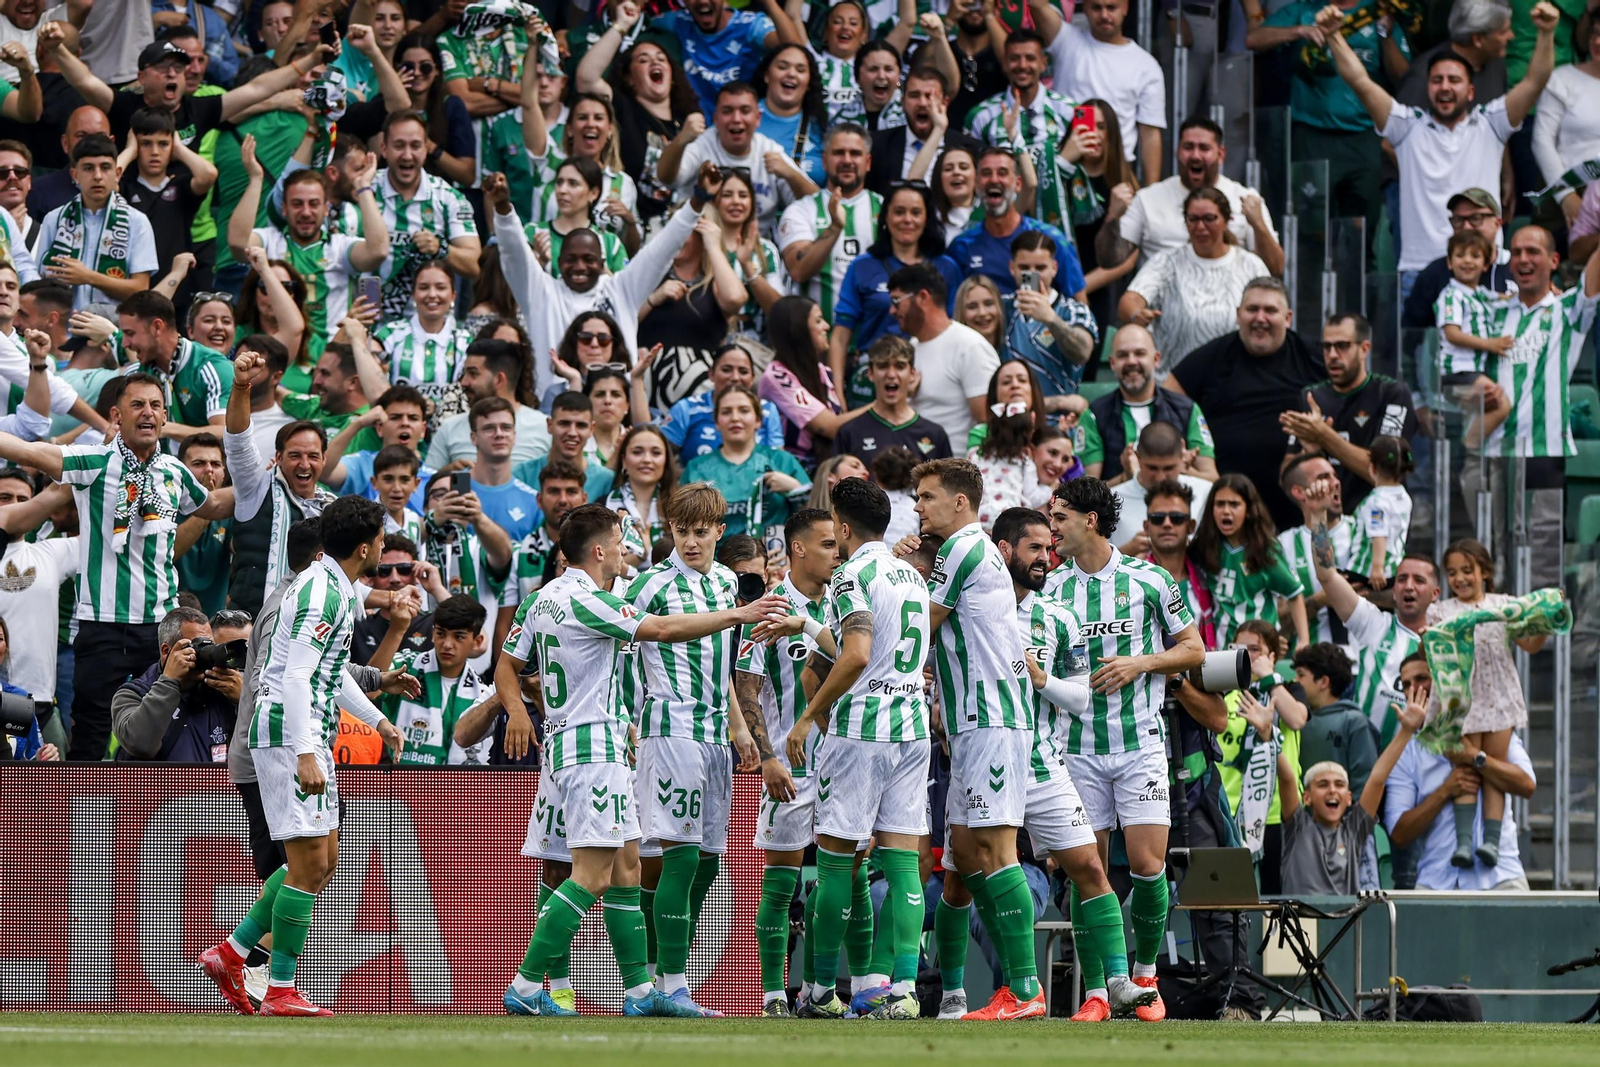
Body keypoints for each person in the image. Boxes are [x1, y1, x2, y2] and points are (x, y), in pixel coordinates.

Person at [495, 501, 783, 1017]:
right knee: (590, 875)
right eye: (621, 538)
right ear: (600, 548)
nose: (627, 547)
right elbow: (663, 632)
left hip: (578, 744)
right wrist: (741, 613)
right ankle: (524, 984)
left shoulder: (539, 601)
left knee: (627, 870)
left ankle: (639, 993)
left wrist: (520, 712)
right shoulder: (595, 600)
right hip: (598, 745)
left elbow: (507, 666)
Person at [197, 496, 403, 1018]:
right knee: (308, 863)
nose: (383, 544)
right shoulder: (323, 591)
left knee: (323, 860)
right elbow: (292, 676)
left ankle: (232, 952)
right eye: (381, 538)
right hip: (290, 734)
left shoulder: (333, 584)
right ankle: (282, 988)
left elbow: (326, 675)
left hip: (301, 729)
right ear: (364, 546)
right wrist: (306, 752)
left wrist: (378, 721)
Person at [0, 354, 230, 761]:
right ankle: (83, 823)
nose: (148, 412)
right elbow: (28, 451)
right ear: (116, 415)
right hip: (101, 625)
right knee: (90, 731)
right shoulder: (93, 460)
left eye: (156, 405)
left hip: (160, 627)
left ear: (164, 416)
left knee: (170, 724)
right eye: (137, 405)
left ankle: (161, 820)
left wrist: (265, 480)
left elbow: (210, 504)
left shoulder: (175, 472)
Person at [755, 478, 924, 1020]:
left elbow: (853, 655)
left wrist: (805, 719)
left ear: (845, 528)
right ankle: (903, 989)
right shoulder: (913, 578)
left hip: (861, 731)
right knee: (901, 865)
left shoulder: (852, 574)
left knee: (834, 867)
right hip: (912, 727)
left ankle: (822, 991)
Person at [1041, 475, 1206, 1022]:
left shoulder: (1150, 580)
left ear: (1089, 520)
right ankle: (1095, 991)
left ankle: (1145, 978)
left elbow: (1194, 649)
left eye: (1059, 516)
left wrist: (1141, 662)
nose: (1051, 527)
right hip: (1078, 749)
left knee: (1145, 865)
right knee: (1088, 871)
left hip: (1140, 744)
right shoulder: (1051, 588)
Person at [990, 505, 1160, 1022]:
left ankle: (1112, 985)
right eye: (1035, 548)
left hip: (1046, 759)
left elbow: (1082, 698)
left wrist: (1041, 680)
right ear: (1004, 552)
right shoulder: (973, 605)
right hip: (984, 758)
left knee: (1090, 866)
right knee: (963, 881)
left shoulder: (1059, 615)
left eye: (1049, 547)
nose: (1047, 557)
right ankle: (975, 992)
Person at [619, 482, 777, 1016]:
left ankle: (647, 986)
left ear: (719, 531)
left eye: (700, 532)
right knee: (680, 860)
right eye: (681, 532)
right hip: (669, 731)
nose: (690, 542)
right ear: (669, 532)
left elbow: (719, 661)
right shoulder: (649, 584)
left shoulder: (728, 581)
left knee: (709, 863)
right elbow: (621, 656)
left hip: (714, 736)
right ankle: (665, 985)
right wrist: (628, 725)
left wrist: (739, 727)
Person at [907, 458, 1044, 1020]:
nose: (918, 507)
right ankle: (961, 995)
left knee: (995, 850)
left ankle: (1025, 990)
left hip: (991, 719)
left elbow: (922, 623)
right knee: (963, 854)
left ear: (960, 503)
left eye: (927, 497)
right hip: (969, 724)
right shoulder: (964, 552)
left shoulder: (965, 547)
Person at [1320, 1, 1558, 288]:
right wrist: (1333, 36)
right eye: (1437, 80)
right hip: (1419, 272)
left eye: (1454, 80)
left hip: (1485, 269)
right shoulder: (1407, 127)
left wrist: (1546, 33)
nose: (1445, 86)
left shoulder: (1490, 123)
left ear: (1471, 91)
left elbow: (1536, 80)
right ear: (1428, 87)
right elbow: (1359, 80)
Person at [730, 506, 833, 1015]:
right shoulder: (771, 609)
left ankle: (820, 990)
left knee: (845, 879)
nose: (837, 552)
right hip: (791, 768)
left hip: (843, 763)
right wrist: (767, 757)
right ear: (798, 548)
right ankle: (772, 993)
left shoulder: (846, 601)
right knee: (780, 879)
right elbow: (748, 686)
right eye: (827, 544)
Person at [484, 165, 707, 399]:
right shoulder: (541, 293)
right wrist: (503, 208)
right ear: (559, 261)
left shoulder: (621, 290)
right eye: (571, 259)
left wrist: (698, 201)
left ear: (602, 262)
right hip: (555, 414)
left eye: (589, 259)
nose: (580, 266)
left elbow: (663, 248)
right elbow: (514, 253)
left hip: (616, 411)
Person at [1246, 0, 1409, 247]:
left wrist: (1385, 33)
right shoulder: (1306, 10)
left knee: (1362, 233)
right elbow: (1254, 39)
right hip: (1312, 135)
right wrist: (1299, 31)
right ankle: (1307, 286)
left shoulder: (1376, 10)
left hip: (1363, 137)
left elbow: (1403, 76)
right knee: (1308, 230)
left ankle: (1355, 285)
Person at [1170, 277, 1325, 532]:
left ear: (1288, 318)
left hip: (1298, 507)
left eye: (1270, 310)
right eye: (1252, 309)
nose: (1260, 318)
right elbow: (1168, 399)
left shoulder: (1312, 357)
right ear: (1238, 315)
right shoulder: (1214, 356)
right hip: (1227, 506)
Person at [1428, 538, 1548, 869]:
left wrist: (1545, 624)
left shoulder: (1506, 605)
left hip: (1499, 696)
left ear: (1485, 572)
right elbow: (1433, 644)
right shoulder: (1440, 609)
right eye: (1452, 573)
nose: (1460, 578)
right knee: (1466, 767)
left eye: (1467, 570)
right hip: (1459, 698)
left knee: (1493, 766)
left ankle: (1492, 843)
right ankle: (1465, 842)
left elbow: (1530, 644)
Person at [1302, 479, 1440, 747]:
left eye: (1419, 580)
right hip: (1366, 756)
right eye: (1401, 579)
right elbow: (1328, 576)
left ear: (1435, 593)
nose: (1409, 586)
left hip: (1421, 762)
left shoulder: (1446, 639)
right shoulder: (1375, 623)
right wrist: (1318, 516)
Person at [228, 134, 389, 361]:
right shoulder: (270, 241)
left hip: (329, 358)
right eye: (297, 204)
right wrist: (255, 179)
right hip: (276, 356)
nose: (305, 212)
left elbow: (379, 251)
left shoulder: (339, 247)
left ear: (325, 209)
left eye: (313, 204)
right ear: (284, 209)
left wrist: (363, 188)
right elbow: (237, 243)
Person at [1384, 656, 1537, 891]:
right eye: (1406, 684)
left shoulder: (1492, 732)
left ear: (1442, 682)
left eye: (1422, 678)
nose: (1414, 688)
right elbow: (1400, 833)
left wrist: (1475, 758)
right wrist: (1445, 791)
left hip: (1501, 878)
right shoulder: (1406, 754)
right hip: (1437, 882)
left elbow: (1526, 785)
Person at [225, 347, 340, 618]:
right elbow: (238, 442)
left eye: (313, 456)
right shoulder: (256, 486)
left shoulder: (334, 511)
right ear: (277, 457)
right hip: (250, 628)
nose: (304, 464)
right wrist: (241, 386)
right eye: (294, 455)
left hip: (309, 630)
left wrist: (389, 596)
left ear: (324, 460)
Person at [1095, 116, 1283, 279]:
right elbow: (1110, 261)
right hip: (1161, 310)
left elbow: (1275, 269)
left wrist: (1259, 225)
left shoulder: (1245, 198)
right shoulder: (1148, 198)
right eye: (1188, 147)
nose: (1195, 155)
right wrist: (1113, 216)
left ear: (1221, 154)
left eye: (1204, 148)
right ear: (1177, 151)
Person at [829, 179, 962, 408]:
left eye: (916, 212)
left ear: (927, 218)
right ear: (886, 217)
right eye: (899, 212)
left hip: (931, 375)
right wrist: (837, 390)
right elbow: (841, 336)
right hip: (874, 377)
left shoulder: (947, 268)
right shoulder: (863, 266)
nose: (907, 220)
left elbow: (955, 329)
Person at [1277, 692, 1423, 895]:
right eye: (1322, 784)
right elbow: (1287, 780)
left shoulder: (1354, 830)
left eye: (1339, 784)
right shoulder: (1297, 828)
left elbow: (1377, 778)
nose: (1332, 790)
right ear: (1306, 797)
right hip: (1302, 925)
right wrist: (1269, 738)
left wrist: (1406, 731)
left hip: (1345, 924)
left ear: (1348, 798)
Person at [1119, 187, 1273, 377]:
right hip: (1174, 382)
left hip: (1235, 381)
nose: (1200, 227)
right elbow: (1130, 300)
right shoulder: (1167, 262)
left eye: (1209, 219)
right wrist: (1136, 314)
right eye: (1193, 219)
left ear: (1227, 221)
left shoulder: (1250, 265)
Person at [574, 2, 697, 231]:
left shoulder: (688, 121)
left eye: (661, 58)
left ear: (672, 74)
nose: (655, 62)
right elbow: (587, 79)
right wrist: (622, 25)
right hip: (636, 228)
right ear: (629, 78)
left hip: (682, 230)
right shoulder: (624, 109)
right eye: (643, 60)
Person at [1280, 311, 1419, 514]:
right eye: (1326, 347)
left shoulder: (1391, 393)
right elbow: (1286, 477)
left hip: (1378, 521)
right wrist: (1312, 453)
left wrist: (1325, 436)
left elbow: (1385, 473)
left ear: (1364, 349)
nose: (1333, 355)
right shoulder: (1311, 396)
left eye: (1342, 346)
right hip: (1324, 521)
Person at [1030, 0, 1165, 179]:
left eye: (1111, 7)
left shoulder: (1147, 66)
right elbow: (1035, 4)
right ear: (1084, 7)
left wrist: (1151, 193)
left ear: (1125, 7)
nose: (1104, 15)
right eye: (1096, 7)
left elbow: (1150, 134)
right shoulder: (1066, 40)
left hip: (1115, 169)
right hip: (1065, 161)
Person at [661, 81, 818, 232]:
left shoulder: (769, 151)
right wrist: (681, 140)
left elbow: (816, 205)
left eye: (745, 111)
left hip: (756, 249)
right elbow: (665, 178)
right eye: (727, 111)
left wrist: (791, 175)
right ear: (715, 118)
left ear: (758, 118)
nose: (736, 119)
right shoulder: (702, 145)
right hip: (699, 246)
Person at [776, 122, 879, 346]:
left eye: (855, 153)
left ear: (868, 162)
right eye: (839, 153)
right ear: (824, 160)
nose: (847, 160)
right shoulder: (801, 210)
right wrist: (834, 228)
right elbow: (798, 270)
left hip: (874, 346)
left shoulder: (886, 210)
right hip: (816, 348)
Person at [372, 110, 481, 319]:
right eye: (399, 145)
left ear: (426, 149)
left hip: (426, 324)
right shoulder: (363, 189)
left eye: (415, 146)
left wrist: (440, 248)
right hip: (370, 320)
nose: (407, 155)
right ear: (384, 149)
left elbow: (472, 264)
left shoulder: (449, 197)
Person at [1079, 323, 1218, 482]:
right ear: (1112, 364)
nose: (1131, 361)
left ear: (1156, 359)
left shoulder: (1187, 409)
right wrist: (1126, 478)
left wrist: (1182, 470)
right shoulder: (1094, 415)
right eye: (1123, 355)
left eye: (1140, 353)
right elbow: (1086, 494)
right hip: (1119, 506)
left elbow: (1212, 480)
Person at [371, 593, 495, 766]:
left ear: (477, 641)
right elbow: (369, 689)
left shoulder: (482, 693)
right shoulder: (406, 665)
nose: (447, 644)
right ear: (432, 633)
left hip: (457, 789)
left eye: (458, 637)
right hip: (401, 786)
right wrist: (396, 630)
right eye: (441, 633)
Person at [109, 604, 245, 762]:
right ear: (166, 651)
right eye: (197, 646)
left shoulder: (222, 690)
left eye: (210, 646)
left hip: (215, 786)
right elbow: (141, 745)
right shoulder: (133, 694)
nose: (205, 654)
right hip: (158, 785)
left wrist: (243, 700)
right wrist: (169, 682)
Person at [1190, 473, 1309, 651]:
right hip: (1219, 648)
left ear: (1249, 510)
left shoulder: (1266, 550)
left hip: (1258, 649)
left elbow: (1294, 593)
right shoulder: (1204, 547)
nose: (1226, 511)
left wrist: (1303, 640)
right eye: (1220, 504)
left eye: (1234, 504)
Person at [949, 146, 1087, 300]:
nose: (994, 180)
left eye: (1002, 173)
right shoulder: (962, 246)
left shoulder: (1049, 239)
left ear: (1018, 184)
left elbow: (1080, 306)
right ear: (976, 184)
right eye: (986, 173)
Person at [37, 132, 157, 308]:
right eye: (88, 168)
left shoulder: (137, 222)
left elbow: (140, 290)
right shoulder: (53, 219)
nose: (98, 176)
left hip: (114, 329)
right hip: (62, 327)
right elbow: (39, 282)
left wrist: (88, 277)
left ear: (117, 173)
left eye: (105, 167)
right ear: (74, 174)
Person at [115, 106, 217, 312]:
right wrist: (129, 151)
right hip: (133, 289)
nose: (154, 152)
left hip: (177, 291)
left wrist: (178, 148)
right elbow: (106, 183)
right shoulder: (126, 188)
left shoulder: (180, 187)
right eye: (146, 144)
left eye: (163, 144)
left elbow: (208, 175)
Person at [887, 260, 999, 445]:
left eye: (896, 301)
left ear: (923, 297)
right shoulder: (911, 348)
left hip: (958, 469)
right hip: (918, 468)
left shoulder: (969, 346)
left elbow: (988, 423)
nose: (892, 310)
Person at [682, 383, 811, 543]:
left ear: (758, 420)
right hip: (712, 563)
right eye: (726, 412)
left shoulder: (782, 460)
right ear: (716, 423)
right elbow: (682, 524)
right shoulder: (696, 468)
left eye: (744, 410)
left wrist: (796, 489)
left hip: (773, 561)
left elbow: (814, 518)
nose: (735, 418)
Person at [652, 0, 803, 117]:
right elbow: (638, 22)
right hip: (697, 135)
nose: (703, 1)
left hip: (741, 130)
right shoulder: (678, 22)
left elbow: (796, 52)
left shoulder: (750, 25)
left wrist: (770, 3)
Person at [1401, 188, 1517, 331]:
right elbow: (1411, 335)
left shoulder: (1518, 267)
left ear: (1497, 223)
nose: (1466, 227)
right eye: (1458, 220)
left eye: (1476, 219)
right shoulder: (1434, 273)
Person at [1001, 230, 1097, 402]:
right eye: (1024, 268)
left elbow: (1083, 353)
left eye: (1040, 268)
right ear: (1011, 268)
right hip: (1010, 418)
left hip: (1060, 420)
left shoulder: (1075, 311)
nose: (1033, 275)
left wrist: (1050, 318)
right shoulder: (1000, 308)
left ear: (1054, 268)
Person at [832, 334, 953, 468]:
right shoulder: (849, 433)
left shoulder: (934, 434)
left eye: (900, 366)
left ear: (912, 374)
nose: (891, 374)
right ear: (870, 373)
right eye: (883, 366)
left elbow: (947, 487)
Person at [759, 294, 854, 465]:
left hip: (826, 465)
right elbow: (831, 427)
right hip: (792, 471)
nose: (826, 326)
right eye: (818, 321)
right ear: (798, 329)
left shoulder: (823, 372)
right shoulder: (776, 376)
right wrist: (880, 407)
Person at [427, 338, 551, 468]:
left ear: (499, 380)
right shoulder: (449, 428)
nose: (464, 382)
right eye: (464, 374)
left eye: (473, 374)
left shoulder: (544, 428)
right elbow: (425, 483)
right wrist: (446, 474)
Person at [866, 65, 983, 194]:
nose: (922, 103)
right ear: (903, 102)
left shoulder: (972, 150)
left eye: (930, 96)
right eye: (914, 95)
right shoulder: (876, 146)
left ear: (945, 103)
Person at [1277, 453, 1356, 645]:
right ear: (1299, 492)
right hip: (1312, 663)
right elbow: (1280, 620)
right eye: (1323, 478)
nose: (1335, 482)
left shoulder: (1363, 530)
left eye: (1335, 475)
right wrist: (1322, 599)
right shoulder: (1284, 545)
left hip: (1366, 662)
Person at [660, 342, 785, 460]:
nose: (735, 378)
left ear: (752, 378)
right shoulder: (686, 408)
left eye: (743, 372)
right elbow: (662, 456)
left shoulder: (767, 410)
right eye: (726, 370)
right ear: (711, 374)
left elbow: (778, 461)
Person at [1532, 11, 1600, 226]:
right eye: (1594, 34)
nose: (1597, 41)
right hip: (1570, 187)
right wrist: (1565, 196)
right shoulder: (1562, 79)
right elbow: (1541, 141)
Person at [966, 360, 1053, 529]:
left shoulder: (1049, 436)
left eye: (1021, 380)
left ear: (1033, 389)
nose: (1014, 385)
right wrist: (1051, 487)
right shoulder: (980, 434)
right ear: (995, 395)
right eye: (1006, 382)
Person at [1290, 640, 1381, 799]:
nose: (1294, 681)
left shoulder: (1354, 722)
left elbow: (1365, 781)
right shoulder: (1293, 719)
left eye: (1301, 675)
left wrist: (1353, 820)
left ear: (1324, 682)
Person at [1110, 421, 1214, 553]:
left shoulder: (1206, 493)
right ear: (1138, 457)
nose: (1161, 477)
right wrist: (1125, 553)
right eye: (1152, 468)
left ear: (1182, 454)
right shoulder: (1110, 501)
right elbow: (1092, 566)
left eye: (1169, 468)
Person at [749, 42, 825, 186]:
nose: (791, 73)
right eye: (782, 67)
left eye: (801, 70)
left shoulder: (822, 127)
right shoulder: (741, 116)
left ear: (809, 82)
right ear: (766, 75)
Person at [606, 422, 678, 570]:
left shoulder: (681, 507)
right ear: (624, 460)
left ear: (666, 460)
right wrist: (640, 555)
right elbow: (598, 566)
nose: (646, 459)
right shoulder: (603, 506)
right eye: (637, 452)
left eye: (656, 453)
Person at [1346, 435, 1414, 589]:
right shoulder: (1404, 496)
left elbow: (1379, 534)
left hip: (1365, 571)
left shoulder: (1376, 502)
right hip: (1394, 568)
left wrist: (1377, 568)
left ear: (1372, 468)